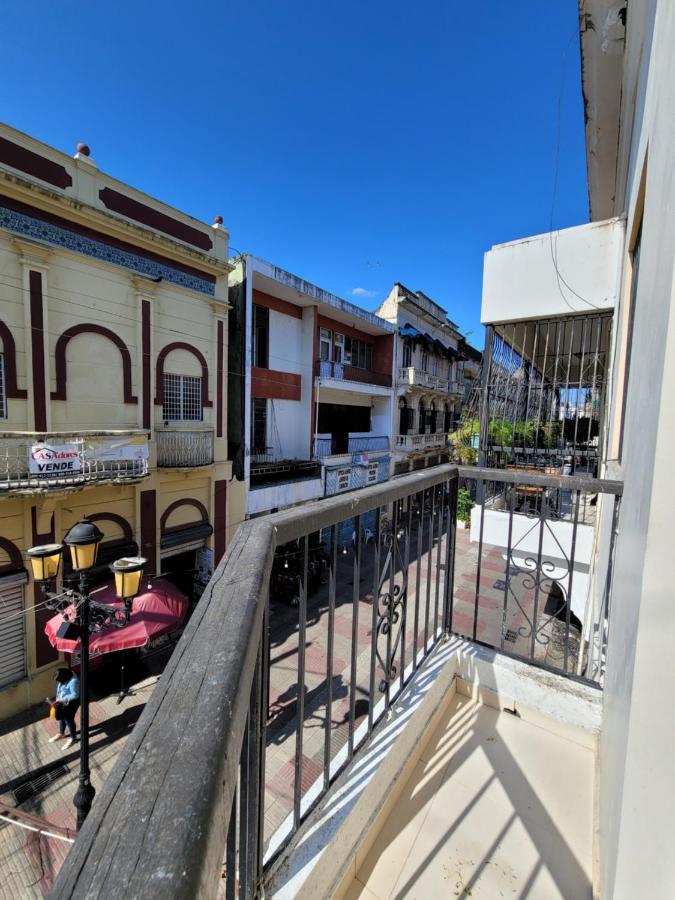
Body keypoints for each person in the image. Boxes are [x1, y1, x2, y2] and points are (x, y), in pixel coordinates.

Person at [48, 668, 80, 750]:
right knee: (62, 718)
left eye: (60, 680)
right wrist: (57, 699)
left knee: (68, 719)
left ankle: (73, 738)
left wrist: (61, 699)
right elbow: (60, 688)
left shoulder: (73, 681)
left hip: (72, 703)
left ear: (64, 677)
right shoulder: (65, 676)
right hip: (63, 702)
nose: (59, 682)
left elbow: (75, 695)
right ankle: (61, 733)